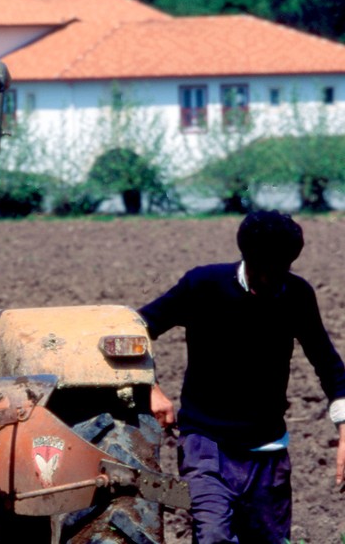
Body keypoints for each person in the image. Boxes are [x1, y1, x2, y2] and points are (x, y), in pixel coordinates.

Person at [138, 210, 345, 543]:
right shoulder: (203, 285)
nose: (274, 281)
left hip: (268, 449)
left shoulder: (296, 294)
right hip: (205, 443)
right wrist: (150, 387)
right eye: (266, 272)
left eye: (283, 270)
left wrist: (344, 428)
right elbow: (137, 328)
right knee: (214, 536)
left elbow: (329, 365)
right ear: (247, 258)